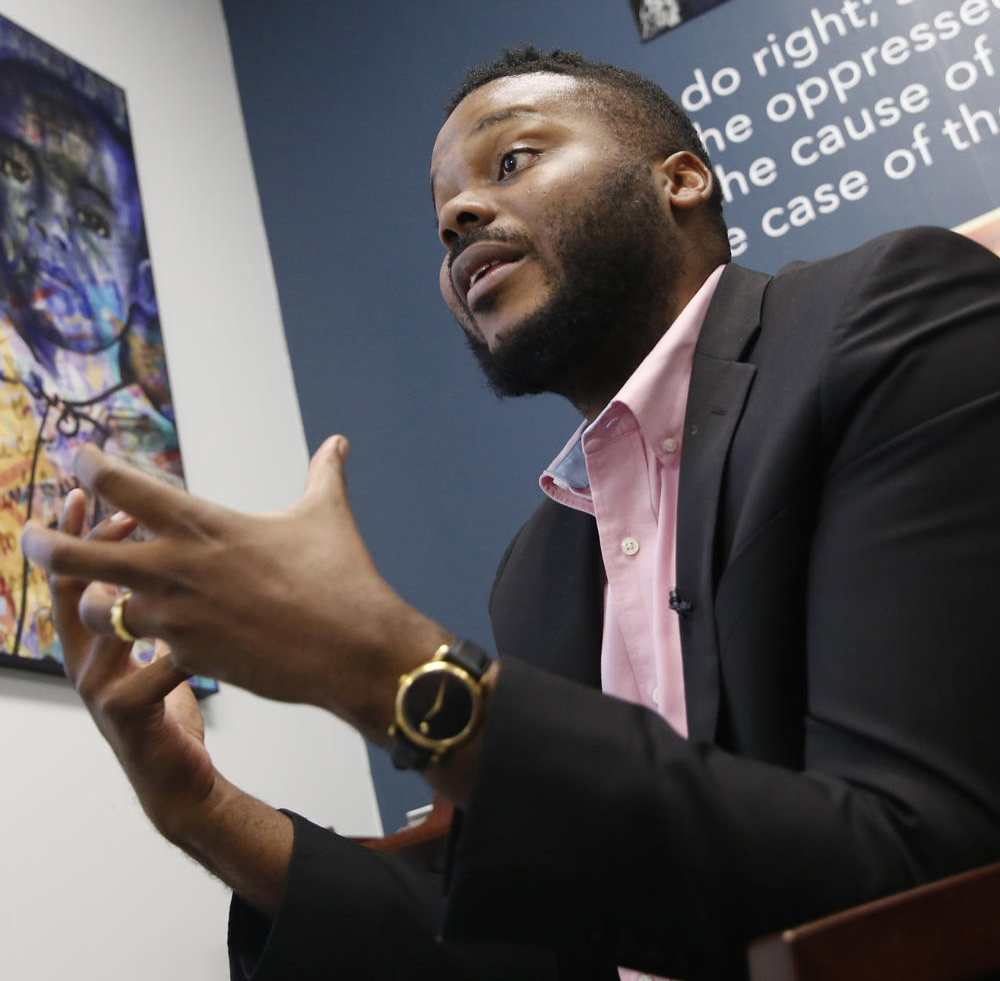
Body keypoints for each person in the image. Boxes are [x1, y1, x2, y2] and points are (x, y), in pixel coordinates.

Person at [21, 47, 1000, 980]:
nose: (458, 216)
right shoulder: (539, 570)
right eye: (442, 213)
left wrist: (388, 669)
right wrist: (198, 808)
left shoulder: (887, 315)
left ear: (681, 179)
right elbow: (550, 948)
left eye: (512, 159)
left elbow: (928, 873)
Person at [0, 59, 179, 662]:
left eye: (91, 218)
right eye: (16, 170)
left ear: (143, 286)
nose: (46, 227)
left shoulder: (151, 463)